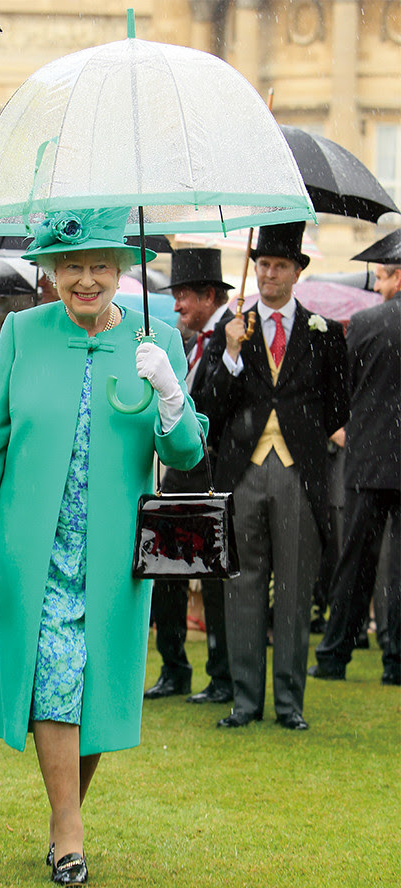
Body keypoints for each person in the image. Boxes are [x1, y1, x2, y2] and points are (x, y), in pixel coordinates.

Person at [0, 207, 206, 887]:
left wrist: (169, 394)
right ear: (51, 271)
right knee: (54, 674)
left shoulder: (158, 339)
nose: (87, 279)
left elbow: (184, 452)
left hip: (117, 551)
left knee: (92, 681)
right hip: (32, 547)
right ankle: (69, 831)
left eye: (100, 265)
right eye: (72, 266)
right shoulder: (22, 332)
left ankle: (63, 812)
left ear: (123, 268)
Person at [201, 222, 349, 730]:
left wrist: (300, 435)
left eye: (280, 265)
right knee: (242, 586)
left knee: (293, 590)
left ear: (296, 273)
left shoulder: (323, 333)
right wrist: (232, 354)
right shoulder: (233, 327)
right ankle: (245, 702)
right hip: (243, 473)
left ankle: (289, 705)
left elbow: (336, 408)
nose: (268, 273)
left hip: (297, 474)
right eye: (262, 264)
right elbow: (211, 408)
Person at [143, 248, 234, 704]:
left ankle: (221, 676)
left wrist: (231, 353)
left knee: (214, 579)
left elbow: (219, 404)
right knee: (167, 575)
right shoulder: (186, 342)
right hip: (178, 477)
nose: (176, 306)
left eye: (182, 296)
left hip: (216, 474)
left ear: (209, 294)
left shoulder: (236, 334)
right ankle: (173, 667)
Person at [309, 253, 401, 686]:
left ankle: (334, 654)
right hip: (382, 453)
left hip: (368, 458)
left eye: (381, 277)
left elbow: (342, 389)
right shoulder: (370, 321)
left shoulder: (366, 324)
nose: (377, 285)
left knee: (356, 562)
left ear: (397, 277)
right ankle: (396, 660)